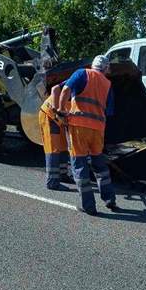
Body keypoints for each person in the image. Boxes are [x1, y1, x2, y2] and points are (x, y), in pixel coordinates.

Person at [57, 55, 117, 215]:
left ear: (93, 65)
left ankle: (88, 206)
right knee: (100, 165)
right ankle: (110, 198)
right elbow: (108, 112)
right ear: (105, 68)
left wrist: (61, 110)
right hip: (98, 129)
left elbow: (64, 90)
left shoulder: (82, 73)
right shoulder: (108, 84)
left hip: (79, 126)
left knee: (79, 165)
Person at [39, 84, 73, 190]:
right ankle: (52, 182)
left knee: (63, 146)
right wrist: (56, 110)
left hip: (62, 118)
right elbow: (55, 89)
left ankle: (62, 175)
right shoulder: (78, 79)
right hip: (50, 115)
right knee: (53, 148)